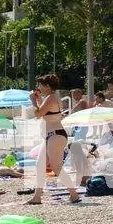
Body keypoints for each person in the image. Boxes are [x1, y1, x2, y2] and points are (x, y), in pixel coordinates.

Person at [24, 73, 81, 206]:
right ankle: (37, 196)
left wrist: (33, 101)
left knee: (56, 167)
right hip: (52, 136)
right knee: (40, 165)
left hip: (55, 135)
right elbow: (45, 112)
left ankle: (73, 194)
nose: (39, 87)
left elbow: (38, 114)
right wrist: (39, 100)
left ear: (48, 86)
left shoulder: (51, 97)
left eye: (41, 85)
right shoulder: (51, 97)